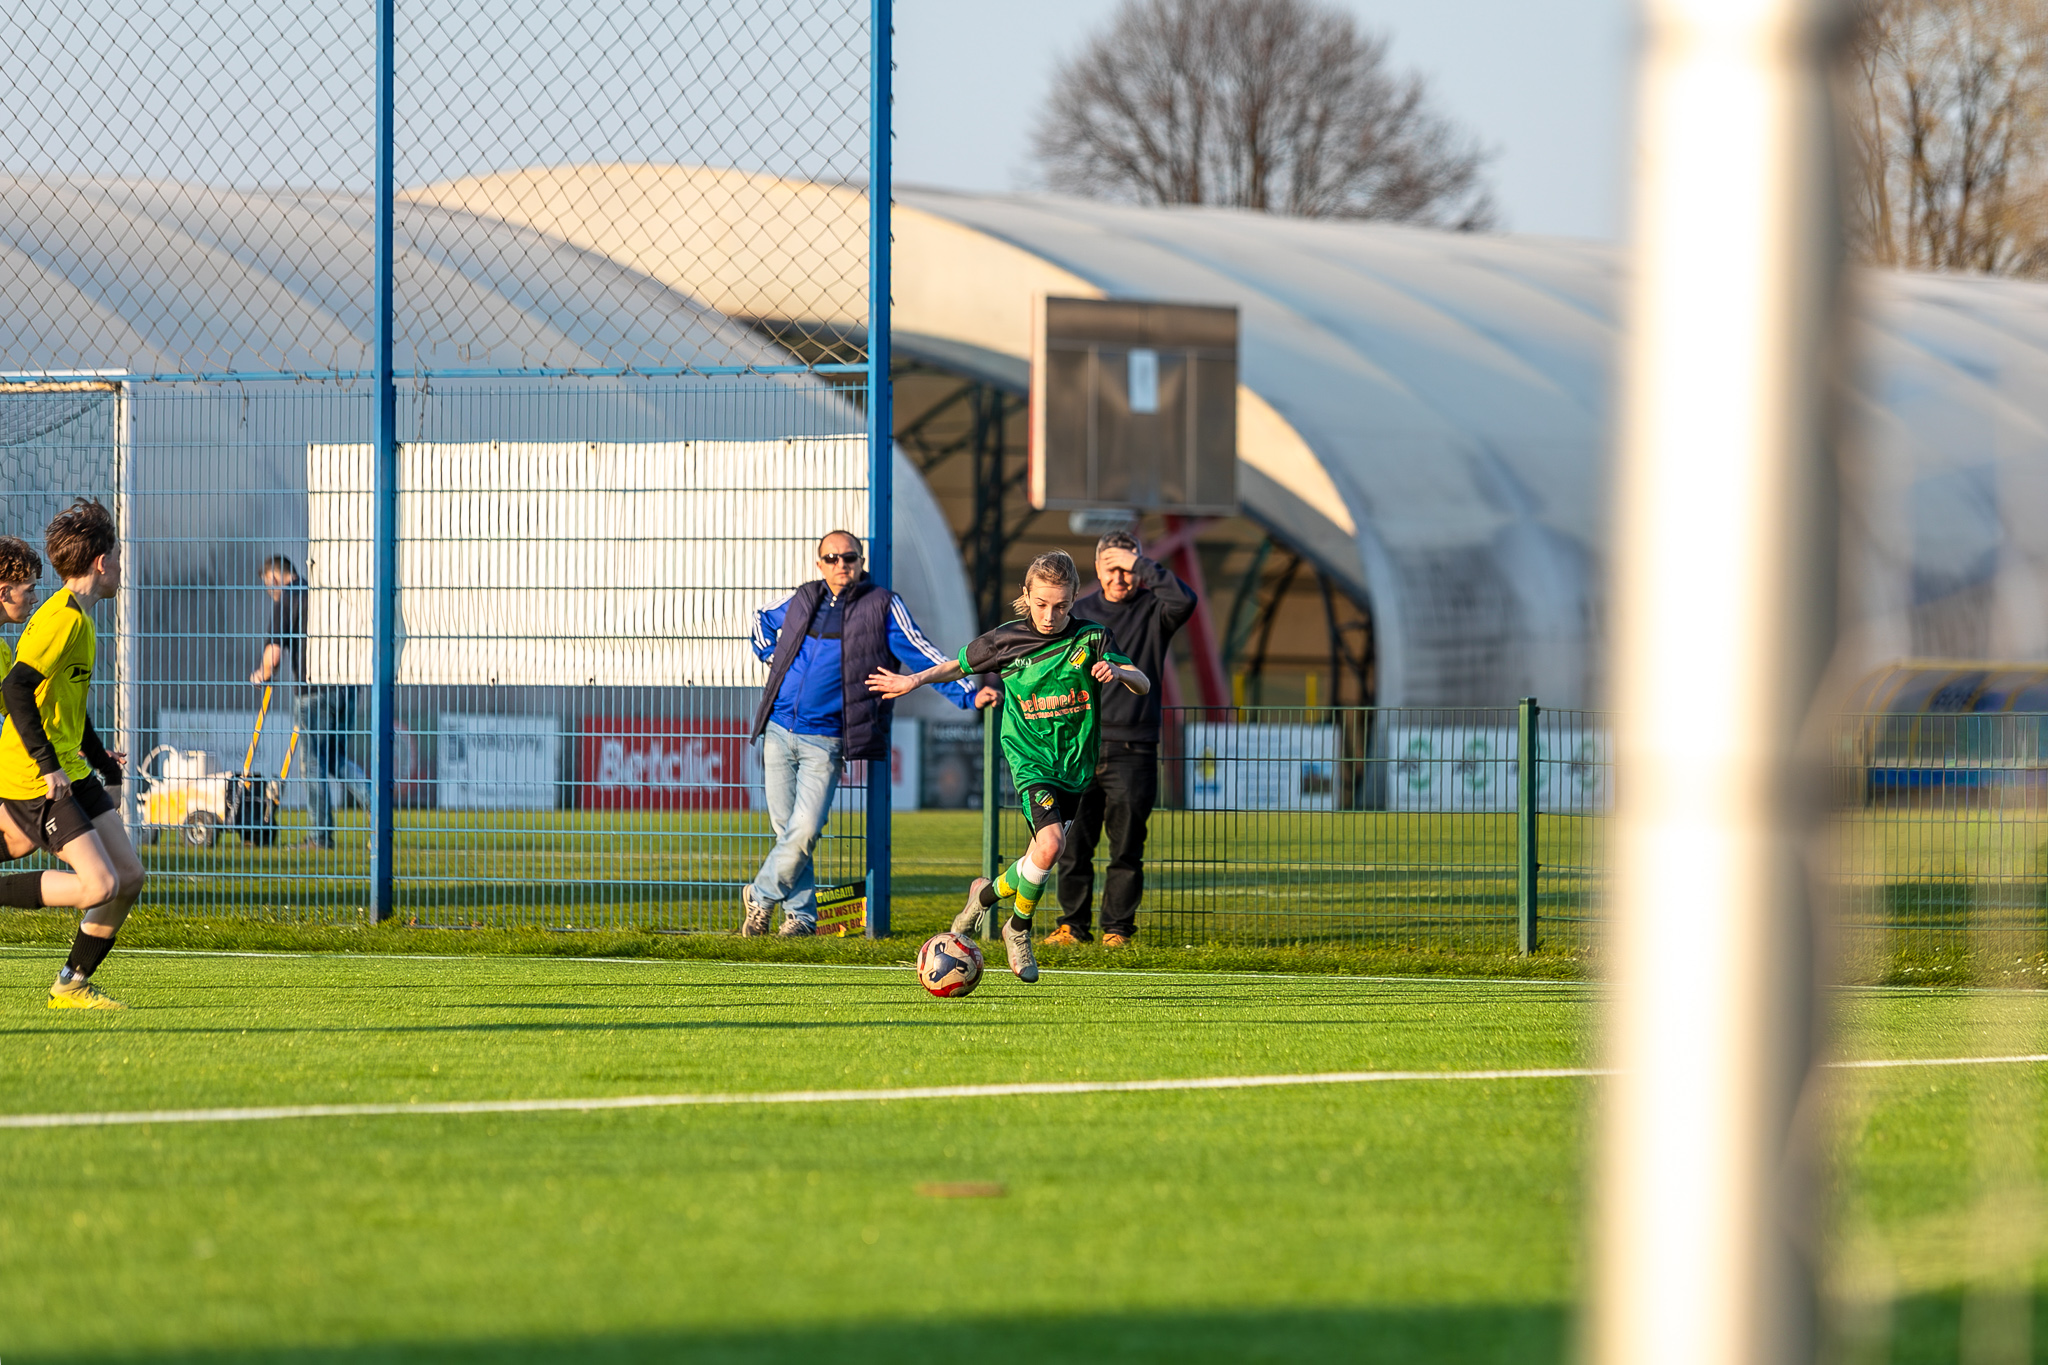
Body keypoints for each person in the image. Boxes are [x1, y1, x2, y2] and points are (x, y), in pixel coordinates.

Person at [868, 550, 1149, 983]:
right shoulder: (1005, 640)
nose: (1050, 615)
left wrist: (1118, 671)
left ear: (1074, 598)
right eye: (1041, 604)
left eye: (1061, 606)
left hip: (1075, 765)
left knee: (1040, 855)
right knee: (1051, 846)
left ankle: (984, 895)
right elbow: (954, 666)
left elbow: (1142, 683)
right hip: (1030, 759)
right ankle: (1017, 930)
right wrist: (914, 679)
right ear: (1026, 595)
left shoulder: (1094, 638)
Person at [745, 530, 979, 936]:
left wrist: (968, 692)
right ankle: (800, 918)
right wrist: (772, 656)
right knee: (788, 832)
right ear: (820, 564)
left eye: (849, 557)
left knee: (805, 831)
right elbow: (760, 619)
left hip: (826, 739)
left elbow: (922, 652)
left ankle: (760, 895)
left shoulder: (882, 606)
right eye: (832, 558)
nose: (841, 564)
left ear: (861, 562)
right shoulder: (804, 597)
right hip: (779, 729)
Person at [0, 499, 147, 1009]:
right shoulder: (61, 619)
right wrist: (48, 766)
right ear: (101, 563)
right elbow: (17, 689)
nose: (122, 568)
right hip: (35, 774)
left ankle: (72, 982)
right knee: (98, 884)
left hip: (69, 767)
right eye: (119, 558)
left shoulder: (81, 619)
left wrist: (104, 764)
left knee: (129, 878)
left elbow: (65, 707)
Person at [1047, 530, 1197, 947]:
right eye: (1111, 568)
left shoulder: (1156, 609)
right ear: (1097, 569)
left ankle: (1117, 930)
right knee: (1072, 846)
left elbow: (1186, 600)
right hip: (1079, 748)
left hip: (1134, 748)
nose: (1120, 577)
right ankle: (1071, 927)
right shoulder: (1079, 614)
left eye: (1128, 569)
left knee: (1126, 848)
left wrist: (1140, 564)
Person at [249, 554, 369, 849]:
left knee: (311, 764)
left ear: (274, 577)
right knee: (335, 759)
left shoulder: (289, 597)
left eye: (268, 586)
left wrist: (261, 673)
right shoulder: (322, 595)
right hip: (348, 686)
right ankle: (378, 808)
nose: (270, 592)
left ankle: (319, 836)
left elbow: (274, 655)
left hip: (314, 691)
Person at [0, 537, 51, 879]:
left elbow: (15, 713)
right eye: (29, 589)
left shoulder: (4, 652)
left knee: (24, 835)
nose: (34, 599)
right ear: (4, 593)